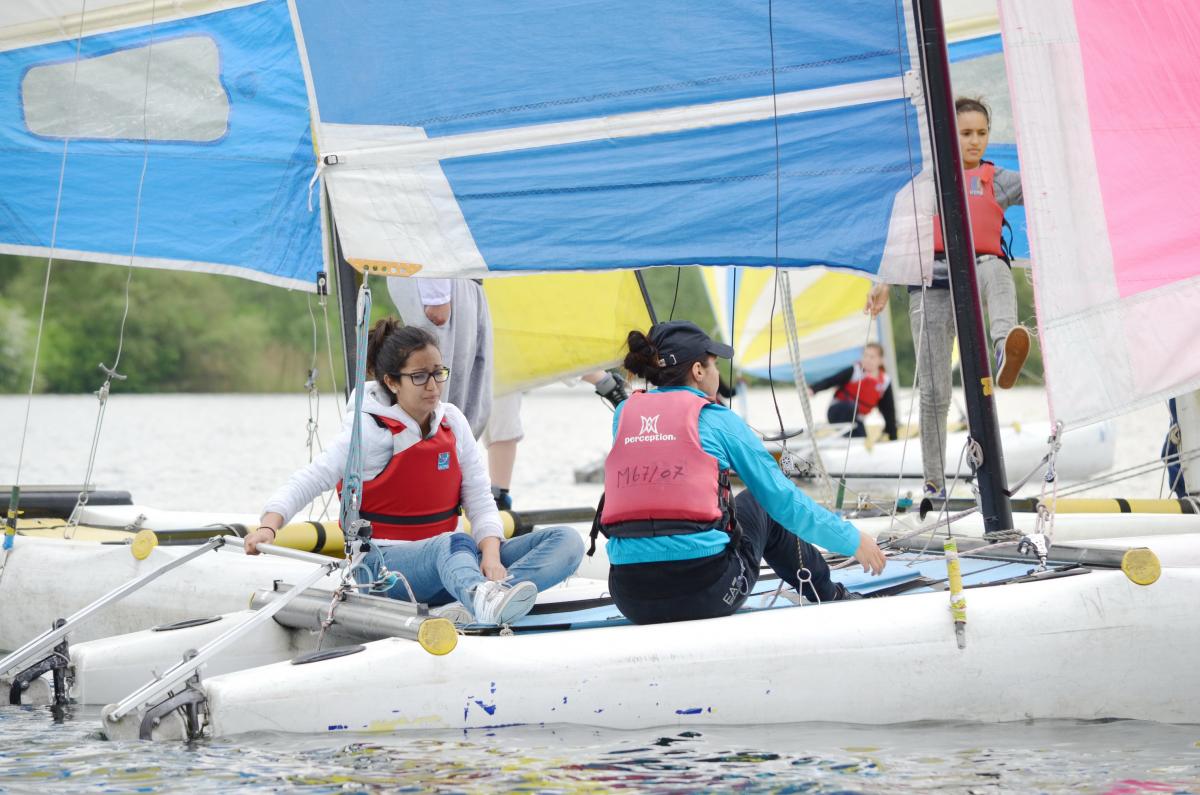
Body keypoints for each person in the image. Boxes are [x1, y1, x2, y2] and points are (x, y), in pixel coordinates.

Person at [245, 320, 584, 627]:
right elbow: (311, 478)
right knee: (452, 543)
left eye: (438, 373)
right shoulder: (368, 431)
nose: (433, 385)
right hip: (384, 572)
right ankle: (481, 598)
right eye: (419, 376)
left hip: (455, 561)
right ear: (391, 381)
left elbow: (481, 499)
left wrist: (492, 558)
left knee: (566, 541)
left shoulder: (453, 422)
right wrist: (268, 526)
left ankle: (483, 598)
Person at [588, 320, 887, 625]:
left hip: (630, 597)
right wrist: (852, 540)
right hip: (708, 592)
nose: (718, 373)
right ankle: (829, 594)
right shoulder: (718, 418)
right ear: (698, 371)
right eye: (715, 365)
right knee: (760, 501)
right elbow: (782, 499)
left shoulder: (624, 415)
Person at [866, 96, 1030, 498]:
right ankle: (934, 483)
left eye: (982, 133)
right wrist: (884, 282)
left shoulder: (998, 179)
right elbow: (901, 236)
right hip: (931, 284)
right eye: (966, 133)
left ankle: (1004, 347)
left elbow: (1044, 186)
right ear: (947, 135)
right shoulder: (926, 184)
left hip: (977, 272)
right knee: (934, 391)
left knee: (999, 268)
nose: (975, 141)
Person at [388, 278, 493, 438]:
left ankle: (451, 451)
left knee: (468, 407)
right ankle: (433, 451)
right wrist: (436, 295)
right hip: (439, 279)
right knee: (440, 404)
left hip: (463, 277)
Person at [807, 342, 898, 440]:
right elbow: (831, 380)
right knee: (851, 407)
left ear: (880, 360)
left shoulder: (884, 382)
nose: (867, 360)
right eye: (865, 356)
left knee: (862, 439)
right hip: (837, 411)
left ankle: (845, 441)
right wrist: (813, 389)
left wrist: (893, 435)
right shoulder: (855, 371)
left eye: (872, 357)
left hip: (856, 418)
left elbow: (889, 411)